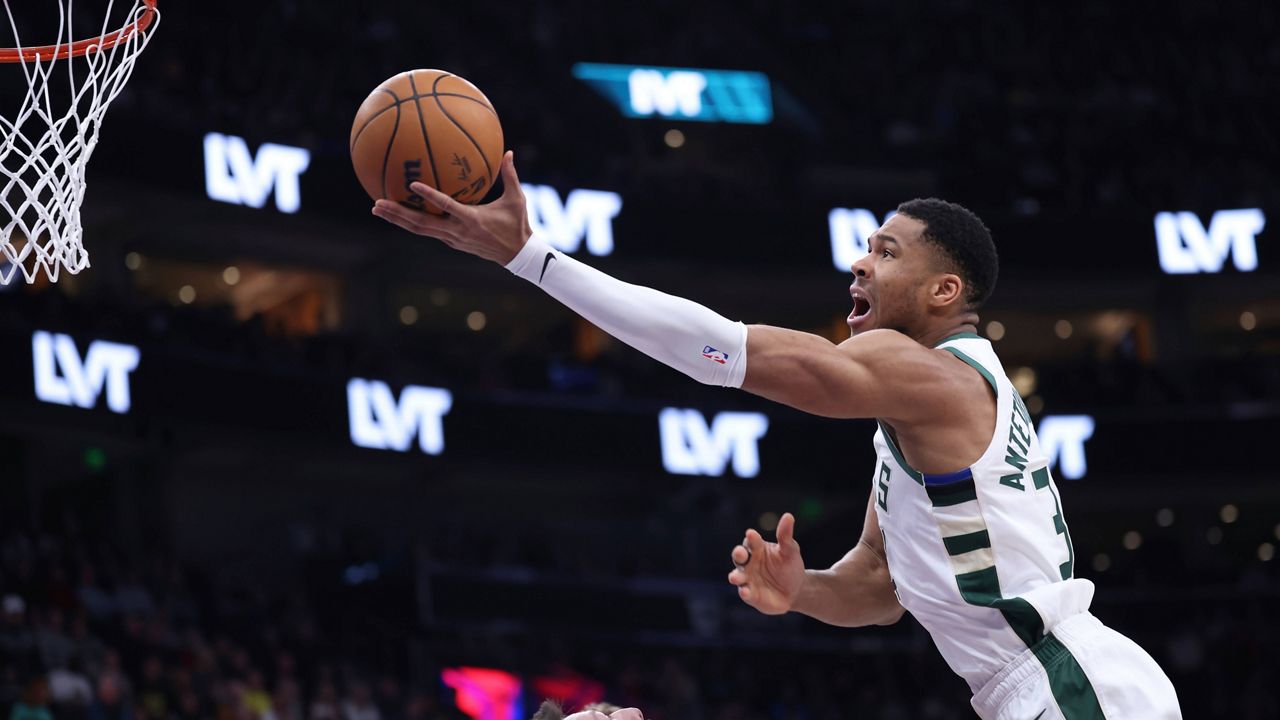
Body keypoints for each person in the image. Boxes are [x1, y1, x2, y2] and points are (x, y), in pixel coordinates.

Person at [372, 153, 1182, 719]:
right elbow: (877, 585)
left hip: (1068, 685)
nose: (861, 264)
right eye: (865, 246)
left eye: (885, 252)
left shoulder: (930, 377)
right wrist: (800, 592)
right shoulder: (917, 411)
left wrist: (532, 258)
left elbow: (718, 350)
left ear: (944, 289)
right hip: (1044, 686)